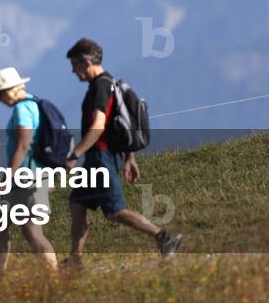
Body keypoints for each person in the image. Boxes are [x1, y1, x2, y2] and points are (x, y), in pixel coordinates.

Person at [63, 38, 184, 266]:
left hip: (101, 158)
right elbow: (121, 122)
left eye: (75, 65)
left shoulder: (100, 87)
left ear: (87, 62)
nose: (73, 71)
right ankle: (75, 261)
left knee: (115, 211)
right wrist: (130, 156)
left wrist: (73, 154)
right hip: (99, 158)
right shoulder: (111, 84)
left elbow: (98, 126)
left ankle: (163, 237)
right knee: (77, 205)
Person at [0, 66, 59, 279]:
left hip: (29, 177)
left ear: (9, 90)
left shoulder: (23, 109)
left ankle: (53, 277)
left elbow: (23, 144)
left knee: (31, 229)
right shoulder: (33, 104)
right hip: (24, 176)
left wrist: (8, 175)